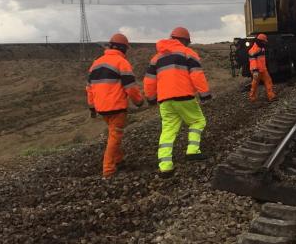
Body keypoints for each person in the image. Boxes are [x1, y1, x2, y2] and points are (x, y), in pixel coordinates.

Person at [144, 27, 212, 178]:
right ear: (185, 41)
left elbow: (149, 81)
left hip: (165, 100)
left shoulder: (156, 58)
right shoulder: (188, 53)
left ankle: (165, 166)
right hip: (184, 96)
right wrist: (204, 94)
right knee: (197, 121)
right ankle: (192, 151)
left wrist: (150, 98)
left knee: (168, 130)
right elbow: (197, 75)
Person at [86, 33, 143, 179]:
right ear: (124, 48)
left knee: (113, 133)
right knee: (115, 136)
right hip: (116, 107)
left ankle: (118, 160)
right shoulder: (121, 62)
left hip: (102, 108)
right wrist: (138, 101)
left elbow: (89, 88)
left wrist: (92, 107)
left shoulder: (96, 63)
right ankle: (108, 170)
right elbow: (130, 86)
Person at [248, 33, 276, 102]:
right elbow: (252, 61)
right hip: (256, 71)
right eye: (264, 41)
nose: (265, 43)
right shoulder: (253, 50)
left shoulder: (261, 47)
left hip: (263, 69)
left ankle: (271, 96)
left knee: (268, 81)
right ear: (260, 41)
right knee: (255, 85)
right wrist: (255, 71)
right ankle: (252, 97)